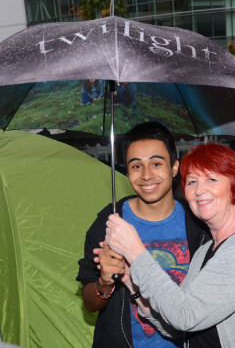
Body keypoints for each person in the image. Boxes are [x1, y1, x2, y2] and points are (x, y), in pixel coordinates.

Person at [105, 143, 235, 348]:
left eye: (212, 179)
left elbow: (185, 316)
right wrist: (131, 282)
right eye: (192, 182)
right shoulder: (205, 250)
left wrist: (135, 251)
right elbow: (176, 326)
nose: (199, 190)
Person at [76, 122, 210, 348]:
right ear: (127, 171)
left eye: (156, 163)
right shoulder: (110, 222)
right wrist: (104, 282)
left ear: (174, 167)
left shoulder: (199, 222)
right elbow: (89, 303)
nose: (147, 175)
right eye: (136, 166)